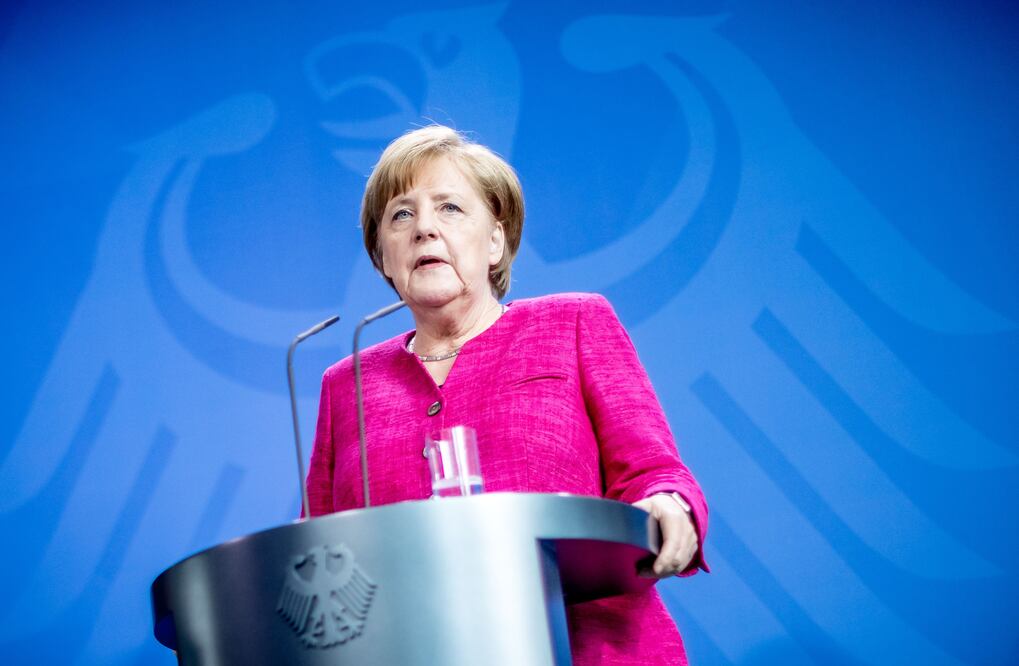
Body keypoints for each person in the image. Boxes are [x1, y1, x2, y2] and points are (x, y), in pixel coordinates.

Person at [306, 125, 709, 665]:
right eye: (401, 214)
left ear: (495, 240)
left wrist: (668, 504)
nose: (424, 227)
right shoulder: (344, 384)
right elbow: (322, 550)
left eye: (449, 208)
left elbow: (654, 471)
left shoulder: (573, 323)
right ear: (382, 255)